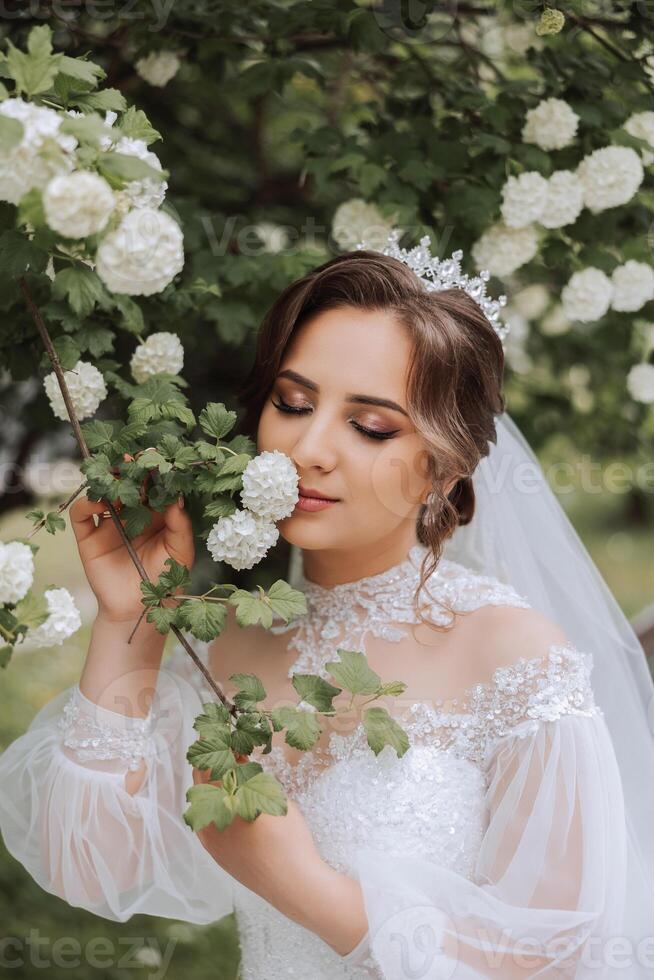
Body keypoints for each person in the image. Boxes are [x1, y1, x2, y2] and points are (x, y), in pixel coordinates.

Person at [0, 236, 653, 979]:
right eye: (294, 403)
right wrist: (135, 622)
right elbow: (93, 866)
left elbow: (560, 964)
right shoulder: (232, 642)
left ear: (447, 466)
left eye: (370, 426)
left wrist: (306, 888)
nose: (309, 447)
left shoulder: (514, 657)